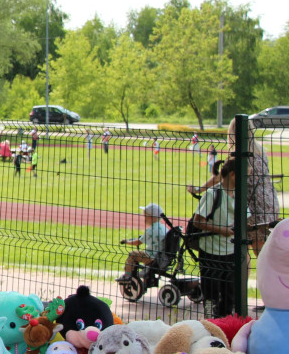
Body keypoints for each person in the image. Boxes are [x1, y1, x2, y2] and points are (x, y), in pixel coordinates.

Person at [188, 116, 280, 256]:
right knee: (257, 243)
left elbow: (222, 176)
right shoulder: (260, 150)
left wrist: (199, 189)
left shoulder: (240, 154)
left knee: (250, 245)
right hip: (270, 199)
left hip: (254, 203)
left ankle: (258, 269)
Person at [191, 158, 243, 318]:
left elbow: (246, 218)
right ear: (233, 174)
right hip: (211, 252)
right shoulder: (212, 194)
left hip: (230, 251)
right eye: (244, 176)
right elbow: (198, 221)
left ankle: (225, 324)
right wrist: (220, 230)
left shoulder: (239, 195)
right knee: (211, 295)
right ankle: (210, 323)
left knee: (229, 296)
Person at [117, 203, 167, 281]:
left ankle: (127, 275)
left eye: (145, 216)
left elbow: (138, 242)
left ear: (150, 217)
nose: (144, 218)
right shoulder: (164, 228)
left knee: (133, 254)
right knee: (141, 253)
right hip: (162, 256)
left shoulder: (151, 230)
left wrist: (127, 242)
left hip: (152, 257)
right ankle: (142, 272)